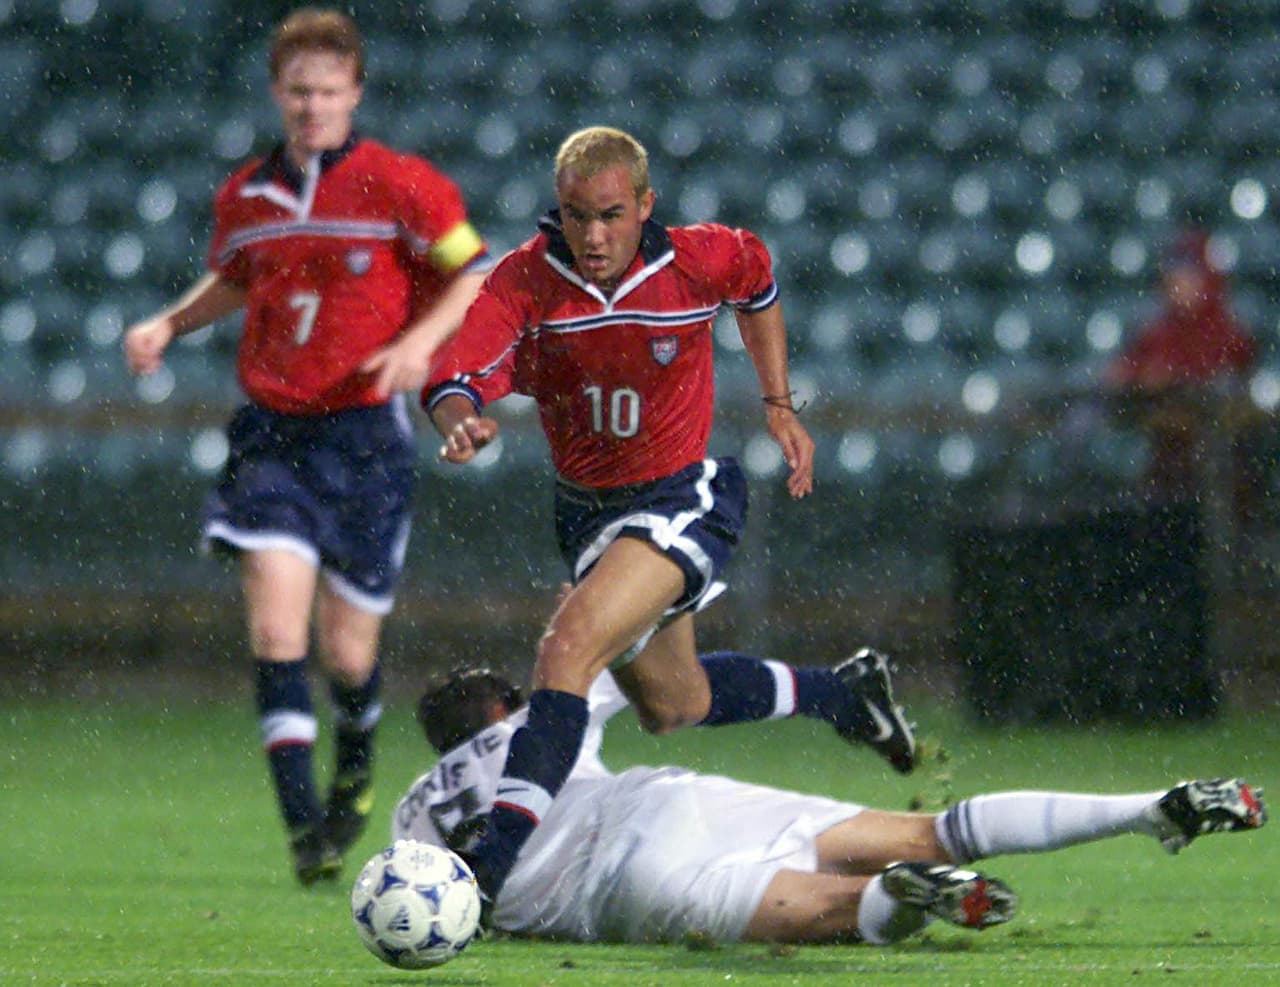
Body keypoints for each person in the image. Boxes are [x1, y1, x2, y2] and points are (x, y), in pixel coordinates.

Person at [419, 126, 915, 900]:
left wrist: (779, 404)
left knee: (568, 648)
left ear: (646, 206)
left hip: (682, 496)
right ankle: (842, 694)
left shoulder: (697, 257)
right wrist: (458, 418)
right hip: (588, 519)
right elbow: (456, 373)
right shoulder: (524, 280)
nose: (593, 234)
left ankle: (488, 870)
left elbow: (757, 285)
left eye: (611, 214)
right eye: (577, 215)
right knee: (675, 702)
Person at [121, 8, 491, 884]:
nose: (312, 105)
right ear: (277, 95)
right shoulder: (246, 195)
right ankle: (305, 829)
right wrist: (170, 322)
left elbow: (474, 273)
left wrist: (415, 344)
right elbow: (237, 275)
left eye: (328, 90)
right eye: (298, 91)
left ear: (354, 92)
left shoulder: (403, 184)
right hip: (273, 436)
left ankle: (354, 769)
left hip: (365, 437)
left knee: (348, 653)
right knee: (275, 627)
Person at [394, 667, 1267, 945]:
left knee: (826, 907)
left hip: (616, 894)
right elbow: (694, 682)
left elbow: (437, 902)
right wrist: (821, 693)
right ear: (506, 703)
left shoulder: (411, 813)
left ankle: (893, 896)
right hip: (661, 804)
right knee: (932, 825)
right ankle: (1146, 807)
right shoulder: (545, 713)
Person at [1105, 228, 1257, 505]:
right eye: (1174, 275)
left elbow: (1224, 389)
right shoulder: (1156, 332)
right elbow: (1122, 374)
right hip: (1165, 466)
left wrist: (1173, 380)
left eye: (1189, 275)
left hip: (1216, 471)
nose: (1178, 283)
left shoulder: (1229, 334)